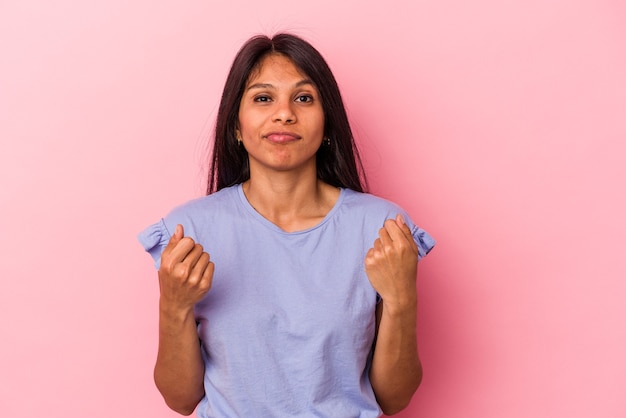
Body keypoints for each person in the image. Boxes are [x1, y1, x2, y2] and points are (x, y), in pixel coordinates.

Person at [138, 33, 435, 417]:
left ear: (327, 125)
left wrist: (402, 299)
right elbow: (181, 399)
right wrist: (173, 307)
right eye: (263, 98)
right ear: (236, 126)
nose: (284, 114)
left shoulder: (381, 228)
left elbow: (394, 399)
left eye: (304, 98)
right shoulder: (188, 230)